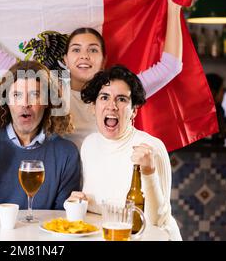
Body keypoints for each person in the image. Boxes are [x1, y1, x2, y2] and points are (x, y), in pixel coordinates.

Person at [0, 0, 188, 149]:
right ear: (65, 59)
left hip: (107, 181)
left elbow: (171, 66)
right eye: (76, 49)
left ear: (104, 59)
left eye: (92, 50)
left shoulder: (118, 92)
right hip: (60, 183)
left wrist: (173, 9)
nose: (84, 56)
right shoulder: (49, 86)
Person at [0, 61, 81, 238]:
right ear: (6, 101)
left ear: (48, 102)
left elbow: (61, 224)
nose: (25, 104)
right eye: (17, 94)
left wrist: (76, 207)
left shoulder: (66, 153)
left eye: (35, 95)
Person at [68, 65, 181, 241]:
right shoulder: (88, 145)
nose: (111, 106)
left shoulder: (151, 147)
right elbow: (96, 205)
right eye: (104, 97)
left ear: (134, 110)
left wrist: (149, 172)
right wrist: (78, 203)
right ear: (93, 106)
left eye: (121, 99)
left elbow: (157, 222)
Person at [206, 73, 226, 142]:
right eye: (222, 90)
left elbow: (221, 133)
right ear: (213, 92)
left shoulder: (220, 110)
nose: (223, 94)